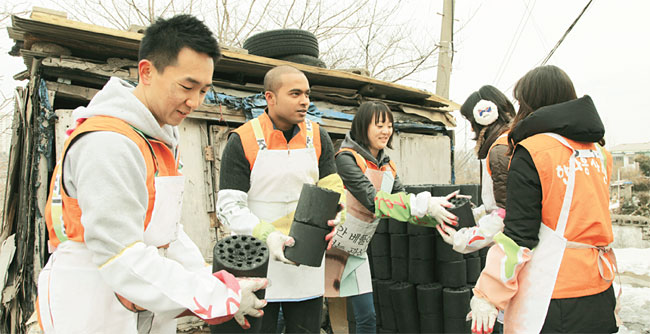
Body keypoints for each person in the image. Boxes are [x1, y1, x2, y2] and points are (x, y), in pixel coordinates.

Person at [37, 15, 266, 333]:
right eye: (187, 86)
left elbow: (167, 231)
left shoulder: (160, 140)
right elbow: (121, 255)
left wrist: (206, 278)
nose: (194, 102)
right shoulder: (109, 142)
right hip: (92, 299)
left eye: (203, 91)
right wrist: (215, 295)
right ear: (146, 71)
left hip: (141, 297)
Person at [469, 65, 619, 334]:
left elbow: (520, 235)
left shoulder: (533, 151)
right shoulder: (600, 154)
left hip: (552, 294)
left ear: (531, 103)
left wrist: (488, 294)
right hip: (600, 288)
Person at [216, 65, 343, 333]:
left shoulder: (318, 136)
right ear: (269, 98)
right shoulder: (243, 140)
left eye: (307, 94)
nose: (305, 101)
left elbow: (332, 188)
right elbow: (229, 207)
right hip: (257, 261)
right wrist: (266, 234)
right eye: (295, 93)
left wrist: (337, 212)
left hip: (305, 261)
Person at [327, 101, 460, 334]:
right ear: (362, 127)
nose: (386, 131)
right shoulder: (346, 159)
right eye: (379, 125)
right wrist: (421, 204)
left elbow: (403, 204)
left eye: (389, 125)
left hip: (356, 248)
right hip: (329, 244)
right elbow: (373, 200)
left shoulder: (388, 166)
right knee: (301, 306)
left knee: (367, 316)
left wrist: (435, 215)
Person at [437, 85, 516, 254]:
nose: (472, 129)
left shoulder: (500, 150)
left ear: (484, 117)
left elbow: (506, 213)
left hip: (510, 248)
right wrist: (474, 214)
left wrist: (464, 239)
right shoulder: (508, 143)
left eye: (471, 123)